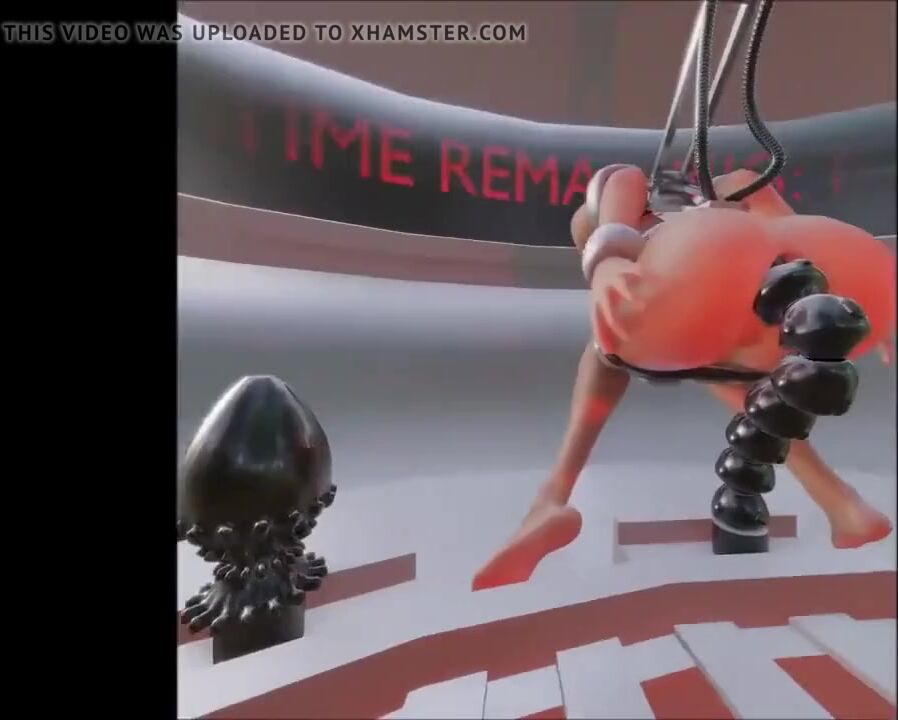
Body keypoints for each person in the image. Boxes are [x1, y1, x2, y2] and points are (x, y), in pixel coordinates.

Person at [472, 164, 895, 591]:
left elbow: (624, 183)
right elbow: (783, 225)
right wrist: (855, 315)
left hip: (695, 322)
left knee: (620, 357)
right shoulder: (689, 219)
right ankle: (839, 501)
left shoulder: (679, 218)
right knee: (736, 386)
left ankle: (552, 497)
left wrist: (608, 261)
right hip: (719, 322)